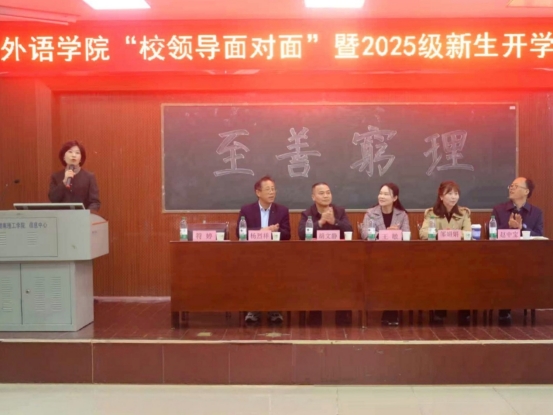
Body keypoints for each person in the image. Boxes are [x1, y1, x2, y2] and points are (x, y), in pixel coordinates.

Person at [236, 175, 291, 324]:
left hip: (275, 255)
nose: (272, 192)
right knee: (251, 273)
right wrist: (262, 231)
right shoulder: (247, 210)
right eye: (268, 189)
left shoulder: (282, 210)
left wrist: (273, 232)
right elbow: (240, 233)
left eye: (273, 189)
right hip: (252, 254)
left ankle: (275, 310)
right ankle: (253, 309)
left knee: (277, 273)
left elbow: (287, 234)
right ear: (258, 192)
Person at [492, 177, 544, 325]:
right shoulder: (498, 210)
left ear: (526, 191)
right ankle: (504, 309)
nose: (511, 188)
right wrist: (508, 227)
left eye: (515, 186)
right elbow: (491, 234)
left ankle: (523, 302)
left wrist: (522, 228)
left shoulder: (536, 212)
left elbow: (539, 235)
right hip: (502, 257)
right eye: (511, 186)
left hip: (527, 258)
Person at [419, 181, 472, 325]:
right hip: (438, 256)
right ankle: (439, 310)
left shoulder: (464, 213)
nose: (454, 197)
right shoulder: (431, 213)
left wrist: (453, 234)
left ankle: (464, 310)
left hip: (460, 256)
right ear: (441, 196)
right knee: (438, 274)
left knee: (465, 274)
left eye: (456, 194)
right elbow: (423, 233)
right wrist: (440, 234)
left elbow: (468, 233)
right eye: (450, 194)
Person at [362, 183, 410, 326]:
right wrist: (385, 234)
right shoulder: (370, 213)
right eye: (380, 193)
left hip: (396, 256)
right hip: (375, 256)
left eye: (386, 194)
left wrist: (397, 233)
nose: (381, 197)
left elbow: (407, 235)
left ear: (395, 198)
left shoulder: (402, 215)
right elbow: (365, 234)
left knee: (395, 274)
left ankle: (391, 312)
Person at [48, 141, 100, 211]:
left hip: (82, 216)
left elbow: (95, 202)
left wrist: (86, 214)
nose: (73, 155)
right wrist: (64, 182)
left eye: (77, 153)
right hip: (61, 216)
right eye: (70, 152)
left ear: (81, 159)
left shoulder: (89, 177)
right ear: (63, 157)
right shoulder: (56, 177)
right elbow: (53, 199)